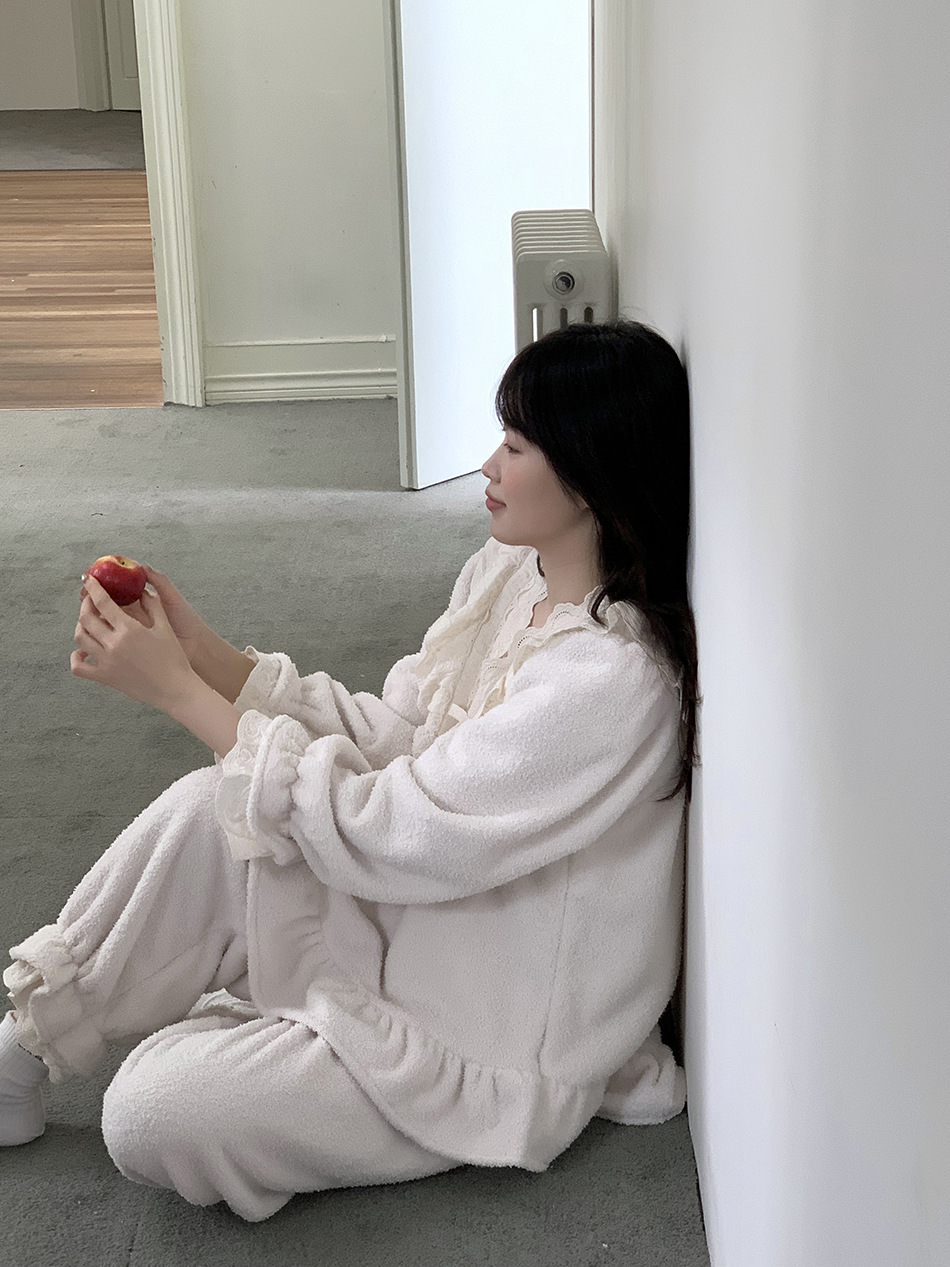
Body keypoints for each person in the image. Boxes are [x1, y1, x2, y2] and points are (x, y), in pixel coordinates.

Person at [0, 318, 699, 1222]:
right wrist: (207, 655)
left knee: (149, 1113)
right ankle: (16, 1054)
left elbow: (394, 828)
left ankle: (264, 1003)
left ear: (590, 474)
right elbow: (400, 731)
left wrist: (180, 693)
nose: (488, 465)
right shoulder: (510, 571)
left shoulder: (608, 680)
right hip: (408, 907)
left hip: (481, 1029)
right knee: (209, 807)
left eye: (517, 446)